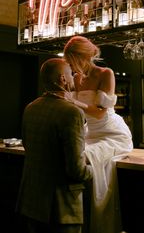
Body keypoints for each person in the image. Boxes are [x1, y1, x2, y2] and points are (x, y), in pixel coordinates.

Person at [63, 36, 133, 233]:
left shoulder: (105, 73)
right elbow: (80, 112)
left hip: (112, 133)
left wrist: (73, 101)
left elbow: (100, 111)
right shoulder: (77, 78)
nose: (70, 65)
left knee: (84, 157)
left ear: (83, 57)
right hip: (90, 131)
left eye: (72, 60)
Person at [16, 58, 93, 233]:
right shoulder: (72, 113)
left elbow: (29, 148)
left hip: (32, 202)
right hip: (60, 207)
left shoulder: (31, 108)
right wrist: (97, 166)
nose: (74, 77)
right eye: (71, 73)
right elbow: (76, 170)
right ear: (62, 79)